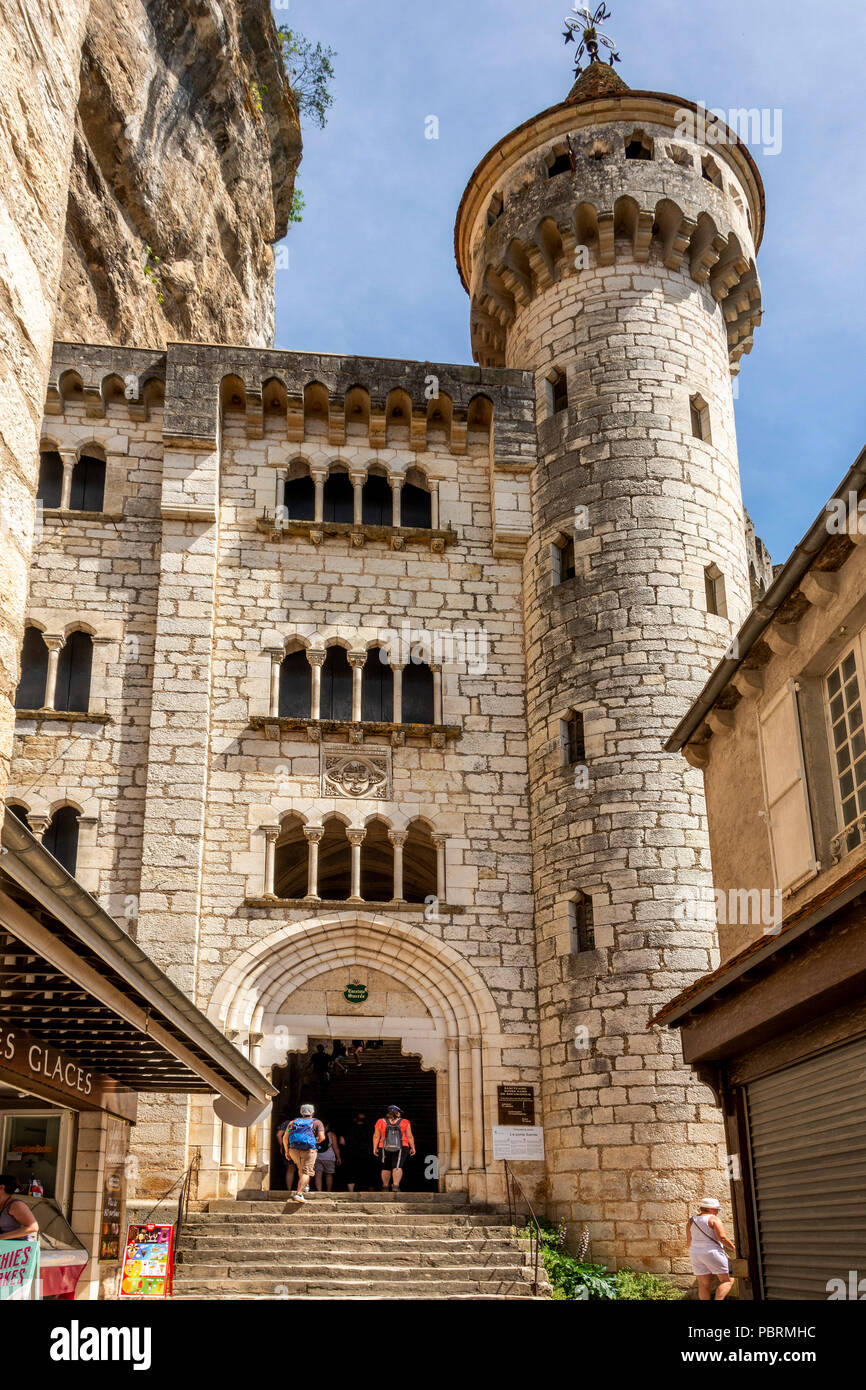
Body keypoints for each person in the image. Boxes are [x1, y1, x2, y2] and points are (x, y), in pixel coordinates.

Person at [687, 1197, 736, 1300]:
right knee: (726, 1281)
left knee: (703, 1284)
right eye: (717, 1209)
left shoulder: (691, 1220)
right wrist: (733, 1248)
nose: (717, 1212)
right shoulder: (713, 1219)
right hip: (712, 1252)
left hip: (695, 1253)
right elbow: (722, 1238)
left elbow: (689, 1241)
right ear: (711, 1209)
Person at [284, 1104, 325, 1203]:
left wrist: (287, 1151)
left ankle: (305, 1185)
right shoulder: (317, 1122)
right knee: (306, 1172)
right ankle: (299, 1194)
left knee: (301, 1169)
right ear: (313, 1113)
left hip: (293, 1149)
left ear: (301, 1113)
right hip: (308, 1150)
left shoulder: (292, 1123)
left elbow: (285, 1137)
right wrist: (315, 1141)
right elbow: (322, 1137)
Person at [373, 1106, 415, 1191]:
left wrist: (375, 1147)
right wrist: (413, 1147)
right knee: (397, 1166)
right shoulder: (405, 1122)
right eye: (399, 1112)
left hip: (384, 1146)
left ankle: (385, 1186)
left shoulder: (380, 1121)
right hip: (402, 1146)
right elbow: (409, 1136)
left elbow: (376, 1136)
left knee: (385, 1167)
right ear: (397, 1113)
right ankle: (395, 1186)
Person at [0, 1174, 39, 1241]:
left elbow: (33, 1227)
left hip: (20, 1249)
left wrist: (2, 1237)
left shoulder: (16, 1205)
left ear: (1, 1187)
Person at [343, 1112, 371, 1192]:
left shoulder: (348, 1129)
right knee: (366, 1171)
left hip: (351, 1153)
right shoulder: (369, 1129)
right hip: (365, 1153)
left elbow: (342, 1142)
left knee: (351, 1172)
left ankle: (351, 1191)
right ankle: (368, 1190)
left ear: (355, 1119)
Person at [314, 1119, 343, 1192]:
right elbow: (335, 1147)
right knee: (329, 1175)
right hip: (329, 1158)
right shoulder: (331, 1135)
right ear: (327, 1126)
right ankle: (328, 1191)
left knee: (318, 1175)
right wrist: (338, 1157)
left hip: (317, 1157)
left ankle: (319, 1191)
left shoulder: (315, 1134)